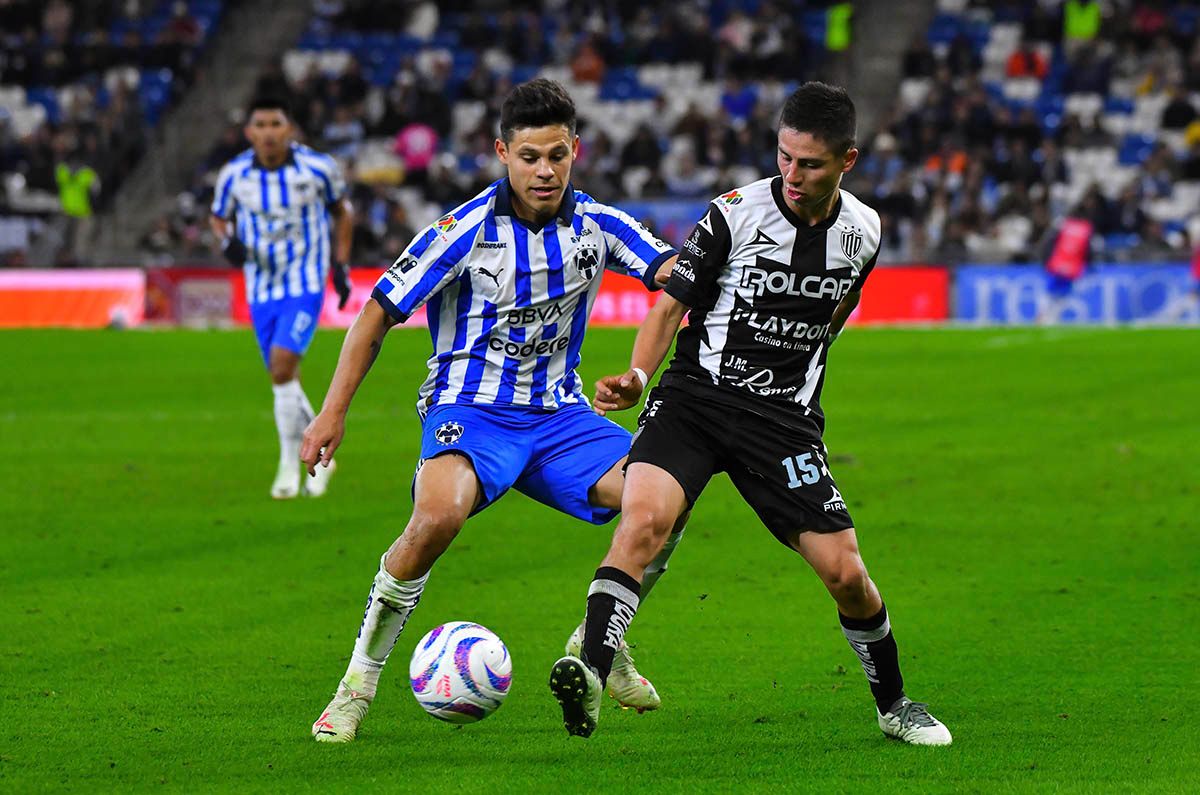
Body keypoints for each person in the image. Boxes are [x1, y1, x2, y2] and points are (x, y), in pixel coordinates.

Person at [549, 82, 953, 746]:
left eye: (811, 163)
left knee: (846, 571)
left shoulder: (865, 231)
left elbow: (836, 315)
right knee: (645, 516)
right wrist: (639, 375)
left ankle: (895, 703)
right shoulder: (734, 215)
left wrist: (797, 378)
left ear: (846, 161)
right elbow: (670, 304)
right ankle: (588, 671)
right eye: (785, 157)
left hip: (781, 422)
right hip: (694, 400)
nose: (793, 174)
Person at [302, 79, 687, 743]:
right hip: (471, 413)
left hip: (562, 420)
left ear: (576, 152)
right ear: (502, 152)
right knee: (438, 516)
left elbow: (674, 274)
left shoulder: (599, 225)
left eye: (558, 155)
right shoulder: (462, 231)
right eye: (531, 156)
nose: (545, 170)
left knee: (663, 498)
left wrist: (639, 371)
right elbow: (375, 313)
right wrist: (331, 414)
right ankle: (355, 686)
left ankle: (602, 638)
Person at [209, 96, 354, 499]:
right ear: (249, 132)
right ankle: (322, 452)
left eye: (276, 123)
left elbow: (343, 211)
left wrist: (340, 265)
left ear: (289, 129)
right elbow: (219, 216)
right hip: (261, 288)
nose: (269, 132)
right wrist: (226, 242)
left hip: (305, 282)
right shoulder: (235, 175)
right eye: (261, 124)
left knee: (281, 367)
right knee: (283, 378)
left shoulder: (317, 168)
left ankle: (290, 462)